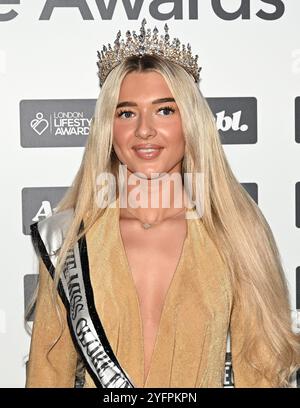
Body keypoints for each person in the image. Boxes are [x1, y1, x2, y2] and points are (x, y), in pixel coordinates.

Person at [25, 18, 300, 388]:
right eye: (126, 113)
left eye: (165, 110)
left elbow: (261, 369)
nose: (144, 130)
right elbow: (48, 371)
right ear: (109, 128)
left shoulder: (235, 232)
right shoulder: (69, 237)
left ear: (192, 122)